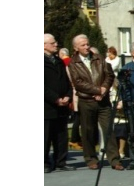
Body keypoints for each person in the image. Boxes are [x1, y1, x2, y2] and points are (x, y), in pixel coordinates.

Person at [67, 34, 122, 171]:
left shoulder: (99, 58)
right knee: (88, 130)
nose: (86, 47)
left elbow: (109, 75)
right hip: (86, 101)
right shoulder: (73, 63)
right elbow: (78, 83)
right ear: (76, 48)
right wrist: (97, 90)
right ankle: (91, 159)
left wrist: (103, 90)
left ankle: (114, 159)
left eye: (87, 44)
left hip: (103, 100)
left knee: (108, 129)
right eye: (83, 45)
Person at [44, 34, 73, 172]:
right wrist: (55, 98)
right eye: (52, 43)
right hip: (47, 106)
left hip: (62, 106)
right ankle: (44, 163)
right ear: (44, 45)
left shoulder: (59, 61)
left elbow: (67, 82)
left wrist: (68, 96)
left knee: (61, 136)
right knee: (45, 136)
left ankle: (61, 161)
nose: (56, 45)